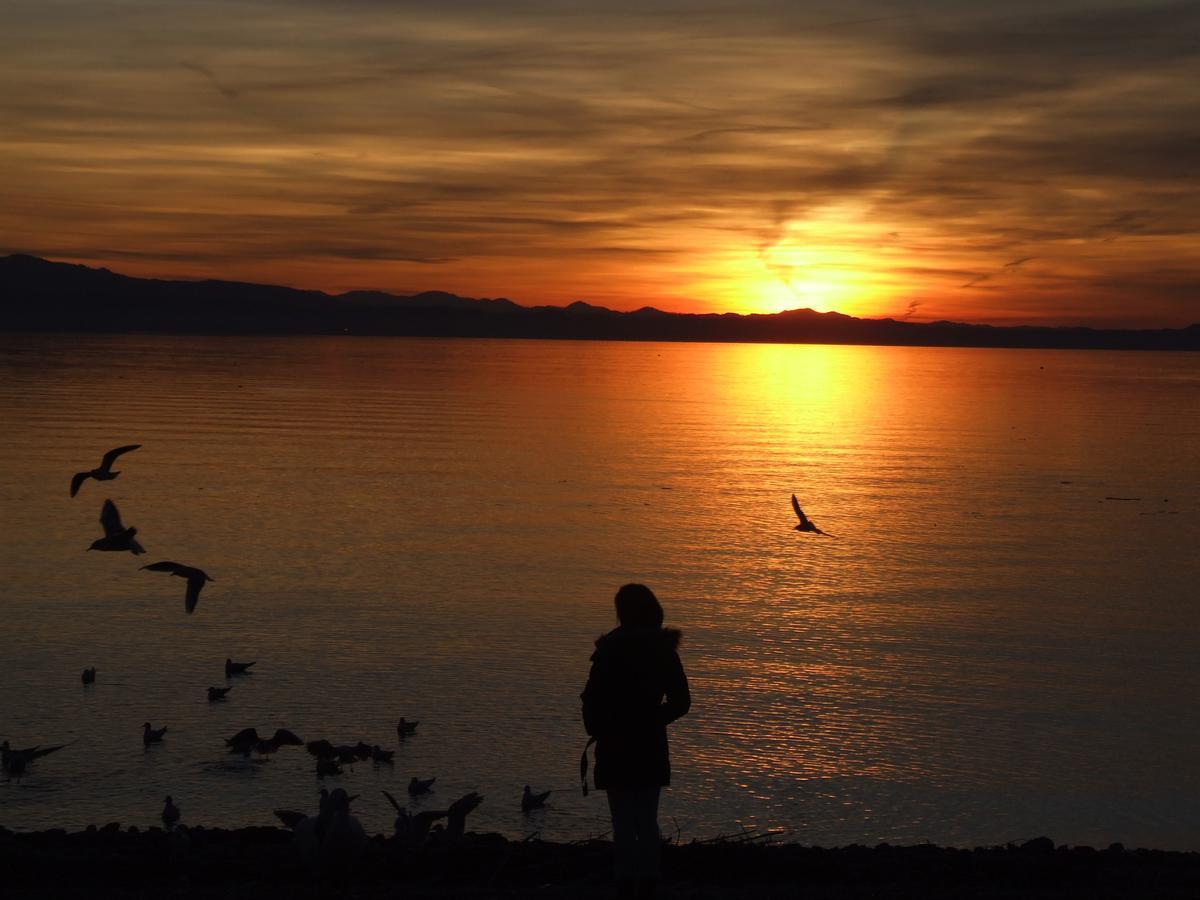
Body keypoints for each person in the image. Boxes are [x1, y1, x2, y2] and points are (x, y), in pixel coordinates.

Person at [581, 584, 691, 899]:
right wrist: (651, 720)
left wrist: (600, 727)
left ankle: (626, 883)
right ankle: (648, 880)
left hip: (615, 742)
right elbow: (681, 702)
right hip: (648, 743)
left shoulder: (609, 649)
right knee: (645, 817)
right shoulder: (663, 650)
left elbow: (591, 699)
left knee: (624, 820)